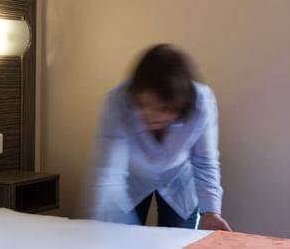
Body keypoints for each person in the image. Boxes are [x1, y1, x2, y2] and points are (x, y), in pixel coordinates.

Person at [90, 44, 231, 231]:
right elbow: (109, 172)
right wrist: (106, 228)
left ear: (180, 105)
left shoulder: (201, 102)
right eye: (144, 104)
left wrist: (210, 212)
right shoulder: (118, 100)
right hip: (131, 181)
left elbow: (204, 160)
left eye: (164, 109)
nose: (152, 115)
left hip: (179, 182)